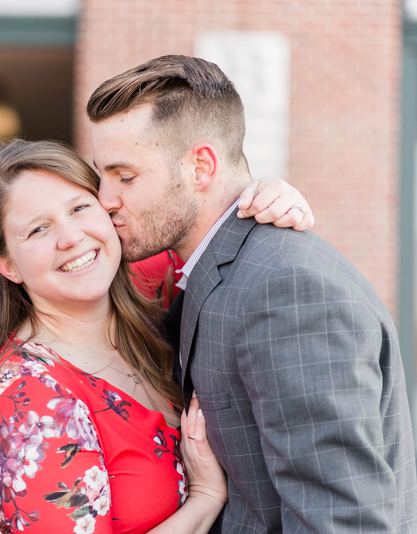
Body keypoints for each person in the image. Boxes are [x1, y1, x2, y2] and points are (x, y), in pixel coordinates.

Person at [87, 55, 417, 532]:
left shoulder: (286, 290)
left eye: (126, 176)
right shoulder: (217, 269)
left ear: (201, 166)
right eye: (102, 175)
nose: (105, 199)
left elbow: (344, 520)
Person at [0, 138, 314, 534]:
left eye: (79, 208)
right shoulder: (27, 400)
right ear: (7, 265)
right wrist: (205, 499)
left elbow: (213, 222)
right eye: (39, 229)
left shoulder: (149, 286)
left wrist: (264, 199)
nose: (71, 237)